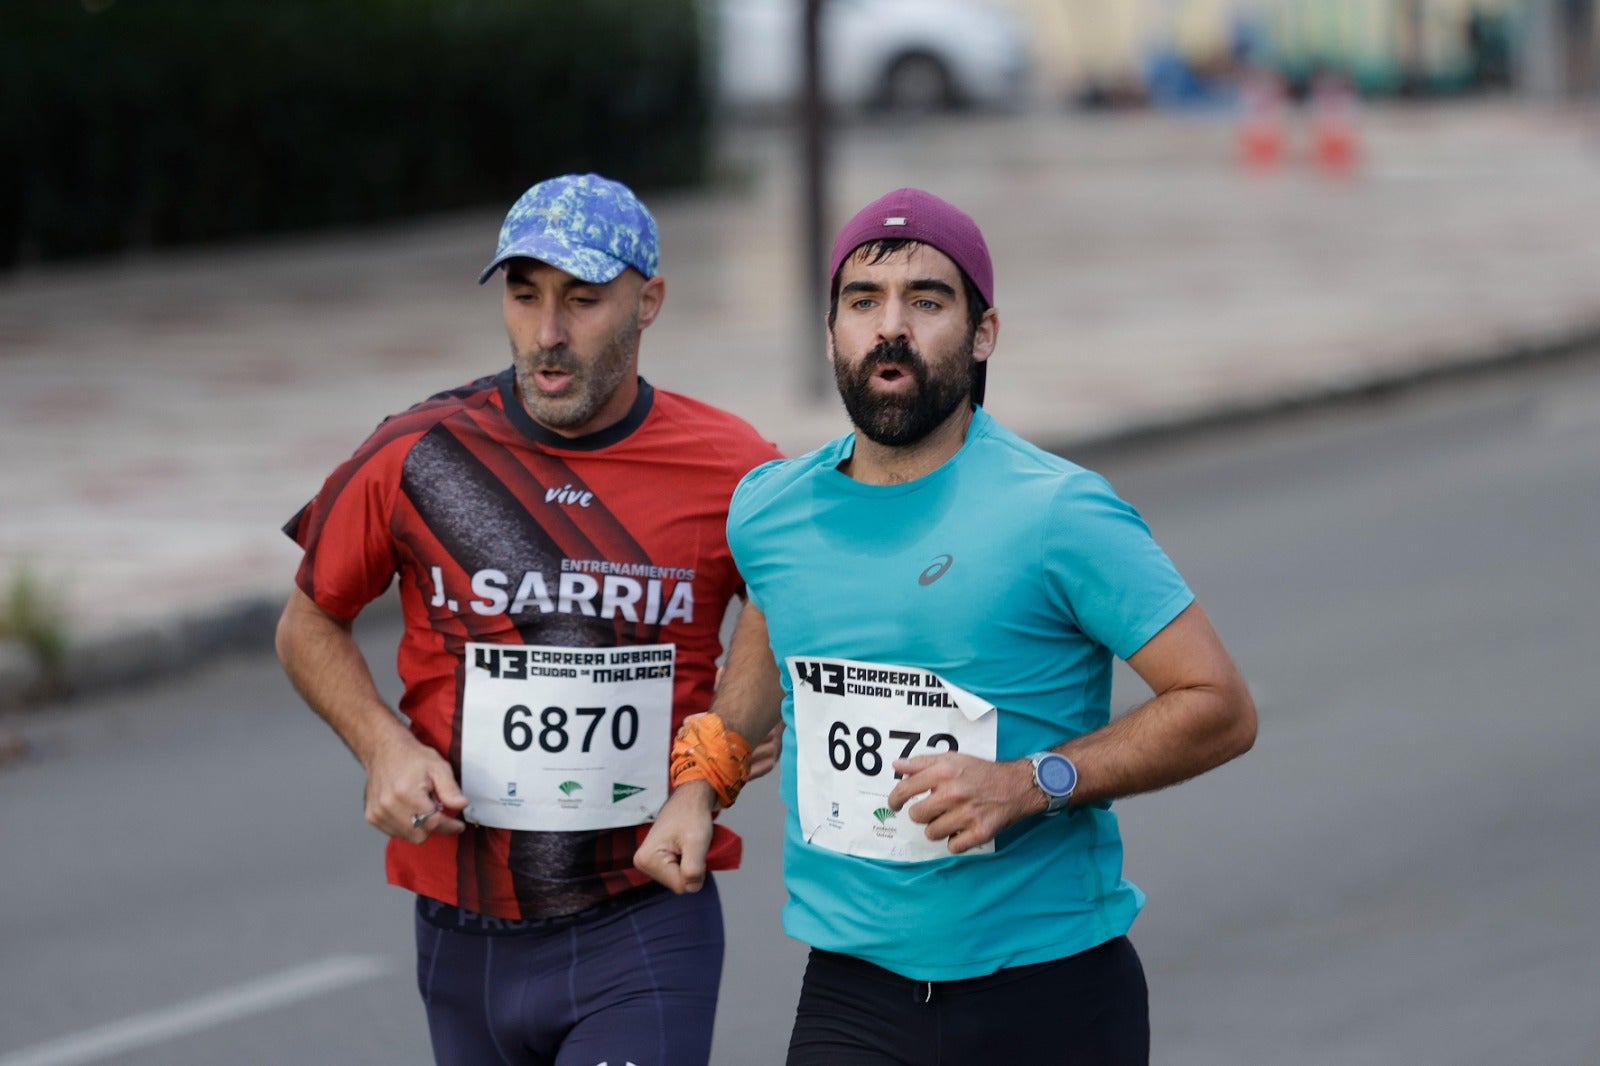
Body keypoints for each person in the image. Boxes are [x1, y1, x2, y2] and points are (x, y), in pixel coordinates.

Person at [636, 187, 1258, 1064]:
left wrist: (1028, 782)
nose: (891, 328)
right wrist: (699, 786)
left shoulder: (1058, 511)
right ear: (831, 333)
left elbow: (1220, 705)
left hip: (1048, 992)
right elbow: (775, 634)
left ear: (983, 333)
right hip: (851, 992)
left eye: (926, 302)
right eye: (864, 303)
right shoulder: (770, 510)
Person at [275, 173, 782, 1066]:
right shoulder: (419, 455)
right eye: (524, 295)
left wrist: (722, 752)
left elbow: (790, 611)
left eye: (583, 300)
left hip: (644, 915)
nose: (548, 334)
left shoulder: (733, 468)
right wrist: (384, 748)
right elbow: (309, 621)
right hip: (461, 928)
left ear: (648, 300)